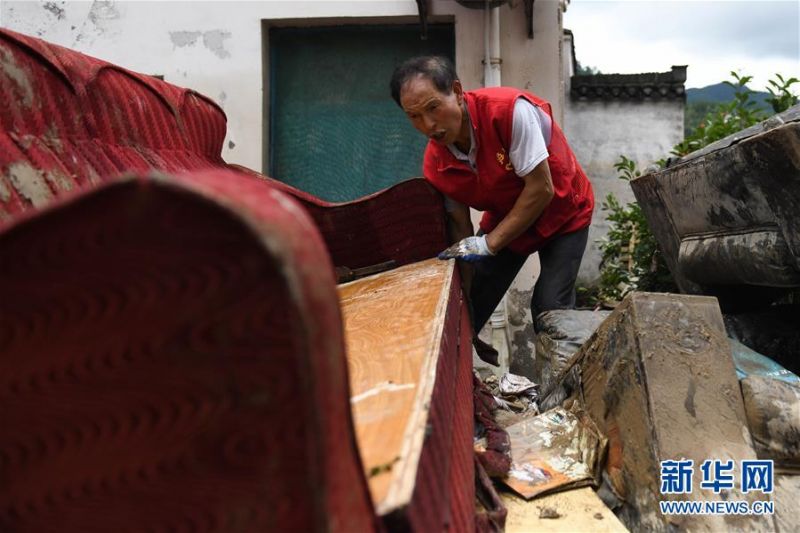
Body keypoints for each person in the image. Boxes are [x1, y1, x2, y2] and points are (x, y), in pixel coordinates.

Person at [390, 56, 594, 363]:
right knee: (470, 302)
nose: (428, 125)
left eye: (433, 107)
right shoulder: (436, 164)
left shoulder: (509, 112)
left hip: (564, 210)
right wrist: (469, 315)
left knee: (549, 308)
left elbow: (541, 189)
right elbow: (460, 227)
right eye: (414, 116)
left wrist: (489, 243)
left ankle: (565, 394)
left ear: (457, 92)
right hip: (510, 218)